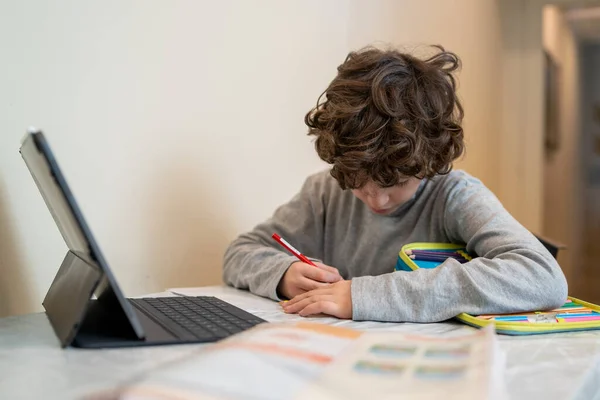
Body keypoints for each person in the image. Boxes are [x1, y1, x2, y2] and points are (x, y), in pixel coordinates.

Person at [222, 45, 568, 322]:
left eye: (395, 182)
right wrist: (283, 272)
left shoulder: (454, 194)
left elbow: (541, 276)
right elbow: (240, 252)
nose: (377, 199)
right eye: (358, 183)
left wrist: (363, 296)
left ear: (430, 161)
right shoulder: (325, 192)